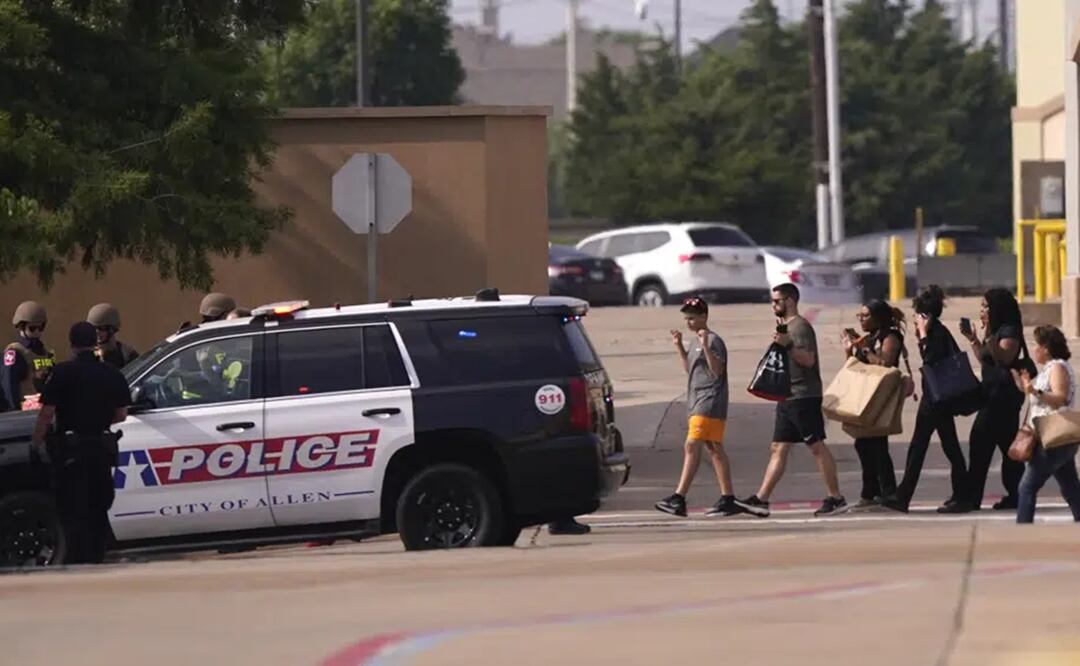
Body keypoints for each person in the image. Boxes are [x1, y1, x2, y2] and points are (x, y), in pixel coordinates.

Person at [736, 283, 847, 517]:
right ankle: (761, 499)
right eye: (772, 301)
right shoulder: (786, 327)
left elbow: (808, 360)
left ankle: (836, 497)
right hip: (787, 396)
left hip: (803, 395)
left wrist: (787, 345)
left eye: (777, 301)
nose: (773, 305)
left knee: (816, 445)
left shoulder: (801, 327)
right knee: (778, 447)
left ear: (790, 300)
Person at [31, 322, 131, 564]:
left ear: (72, 345)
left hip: (72, 452)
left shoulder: (62, 373)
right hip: (100, 449)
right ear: (94, 342)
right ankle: (97, 558)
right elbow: (121, 415)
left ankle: (77, 562)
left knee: (74, 510)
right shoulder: (111, 373)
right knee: (99, 507)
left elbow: (46, 414)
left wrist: (35, 444)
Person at [881, 286, 971, 513]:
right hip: (935, 399)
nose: (914, 320)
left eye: (917, 316)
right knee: (936, 447)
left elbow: (929, 358)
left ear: (925, 316)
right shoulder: (937, 332)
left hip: (937, 401)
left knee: (926, 447)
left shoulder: (936, 334)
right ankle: (958, 494)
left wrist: (922, 333)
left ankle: (908, 496)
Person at [655, 297, 740, 517]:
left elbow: (717, 370)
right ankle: (728, 497)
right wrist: (680, 347)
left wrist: (705, 346)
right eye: (686, 318)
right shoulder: (694, 341)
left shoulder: (713, 340)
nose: (688, 322)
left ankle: (679, 497)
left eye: (692, 318)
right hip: (696, 400)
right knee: (713, 448)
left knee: (692, 445)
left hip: (709, 401)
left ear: (704, 317)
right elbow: (690, 369)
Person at [962, 288, 1028, 510]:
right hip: (992, 395)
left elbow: (1004, 358)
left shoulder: (1009, 330)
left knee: (980, 442)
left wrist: (989, 336)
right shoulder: (996, 330)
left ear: (996, 308)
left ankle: (972, 497)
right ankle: (1018, 494)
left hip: (1004, 399)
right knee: (1008, 450)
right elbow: (985, 359)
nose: (982, 311)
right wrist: (973, 339)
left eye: (985, 306)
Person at [1012, 325, 1080, 524]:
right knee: (1071, 488)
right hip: (1057, 437)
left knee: (1027, 487)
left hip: (1052, 436)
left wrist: (1034, 391)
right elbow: (1036, 394)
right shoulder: (1048, 369)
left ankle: (1023, 530)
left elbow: (1060, 397)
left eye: (1037, 345)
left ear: (1046, 348)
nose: (1034, 349)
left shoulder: (1058, 367)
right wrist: (1023, 383)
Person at [841, 300, 903, 508]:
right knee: (863, 444)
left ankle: (887, 491)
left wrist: (865, 350)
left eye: (865, 316)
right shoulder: (868, 338)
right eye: (860, 316)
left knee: (877, 445)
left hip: (880, 397)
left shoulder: (890, 337)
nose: (861, 320)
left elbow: (885, 364)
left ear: (878, 318)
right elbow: (855, 367)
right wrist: (849, 351)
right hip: (865, 395)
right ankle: (870, 492)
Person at [2, 301, 55, 412]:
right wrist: (15, 412)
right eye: (32, 328)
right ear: (21, 326)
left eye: (41, 327)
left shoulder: (46, 352)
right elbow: (9, 387)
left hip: (45, 411)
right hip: (25, 414)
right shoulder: (15, 353)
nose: (37, 331)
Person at [87, 303, 138, 369]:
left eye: (102, 328)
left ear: (112, 329)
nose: (97, 332)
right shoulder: (87, 355)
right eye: (93, 328)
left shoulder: (126, 354)